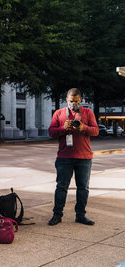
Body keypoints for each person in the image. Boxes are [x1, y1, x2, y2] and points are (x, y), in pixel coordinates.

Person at [48, 88, 99, 226]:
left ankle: (81, 215)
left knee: (83, 188)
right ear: (66, 99)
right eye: (71, 101)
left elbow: (96, 131)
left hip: (84, 157)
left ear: (81, 100)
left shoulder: (88, 112)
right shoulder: (58, 113)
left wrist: (84, 128)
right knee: (61, 187)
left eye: (76, 101)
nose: (73, 104)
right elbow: (51, 132)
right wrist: (63, 128)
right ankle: (57, 215)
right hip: (64, 157)